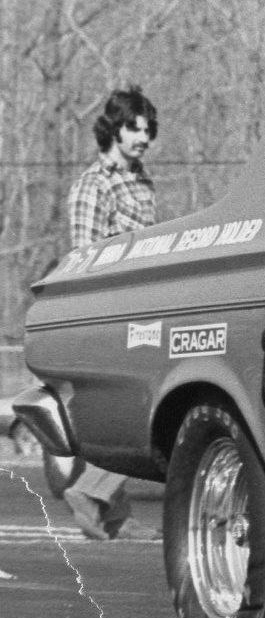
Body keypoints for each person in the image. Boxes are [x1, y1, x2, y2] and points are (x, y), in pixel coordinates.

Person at [62, 86, 158, 539]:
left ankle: (109, 512)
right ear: (112, 129)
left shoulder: (140, 180)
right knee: (140, 405)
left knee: (139, 403)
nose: (142, 138)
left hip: (144, 306)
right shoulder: (92, 185)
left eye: (147, 130)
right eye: (132, 128)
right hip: (110, 312)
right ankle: (91, 490)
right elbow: (83, 259)